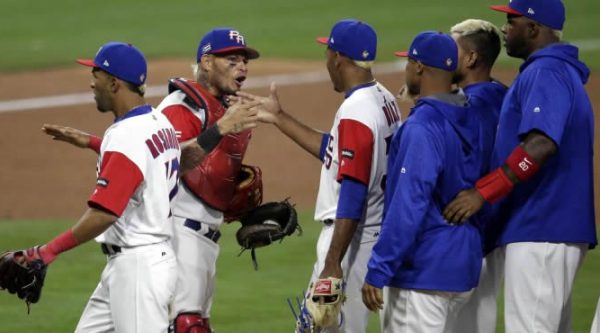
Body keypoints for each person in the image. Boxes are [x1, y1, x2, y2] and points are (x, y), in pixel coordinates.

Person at [42, 28, 261, 333]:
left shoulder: (215, 112)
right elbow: (168, 157)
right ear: (207, 62)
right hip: (167, 244)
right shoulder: (176, 110)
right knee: (186, 325)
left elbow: (151, 151)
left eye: (244, 60)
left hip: (159, 255)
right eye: (232, 59)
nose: (243, 67)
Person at [442, 0, 597, 332]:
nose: (505, 29)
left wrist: (483, 193)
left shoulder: (547, 71)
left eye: (511, 22)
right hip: (553, 227)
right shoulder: (558, 71)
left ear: (533, 28)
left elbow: (541, 145)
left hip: (542, 225)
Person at [238, 19, 401, 332]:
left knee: (320, 328)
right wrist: (279, 118)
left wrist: (332, 262)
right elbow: (338, 153)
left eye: (327, 52)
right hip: (370, 232)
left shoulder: (357, 111)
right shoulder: (383, 98)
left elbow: (353, 189)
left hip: (350, 241)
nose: (326, 61)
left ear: (338, 57)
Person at [22, 41, 180, 333]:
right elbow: (143, 163)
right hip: (142, 262)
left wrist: (47, 252)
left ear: (113, 82)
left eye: (96, 74)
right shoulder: (159, 122)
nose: (91, 82)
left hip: (138, 269)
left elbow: (104, 213)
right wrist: (95, 142)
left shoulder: (126, 137)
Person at [361, 31, 487, 332]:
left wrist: (379, 269)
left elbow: (408, 205)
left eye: (408, 63)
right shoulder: (471, 117)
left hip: (424, 274)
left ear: (418, 67)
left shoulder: (422, 128)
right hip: (463, 266)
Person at [445, 19, 507, 333]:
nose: (444, 55)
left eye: (451, 48)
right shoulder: (499, 93)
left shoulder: (473, 105)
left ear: (471, 58)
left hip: (470, 231)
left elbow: (471, 167)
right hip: (493, 228)